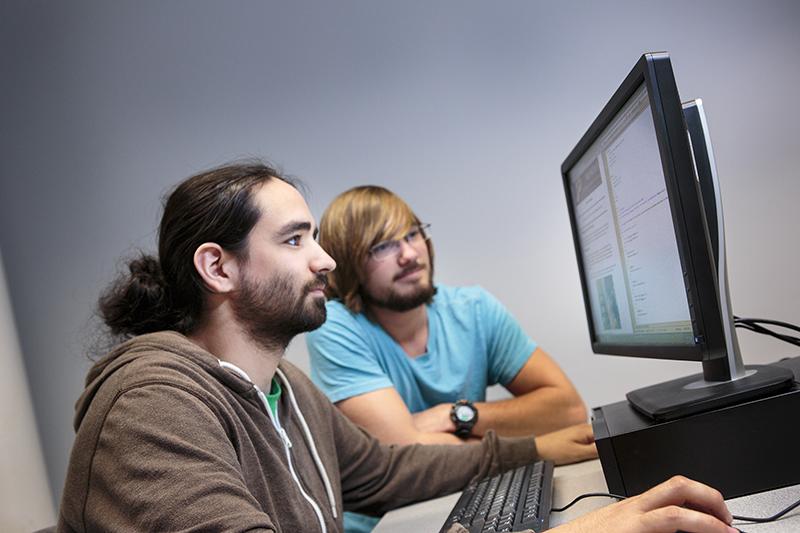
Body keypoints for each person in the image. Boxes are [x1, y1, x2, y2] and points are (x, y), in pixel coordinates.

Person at [56, 161, 737, 533]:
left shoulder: (287, 390)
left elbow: (386, 472)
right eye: (295, 240)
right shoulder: (152, 402)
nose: (324, 261)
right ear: (219, 268)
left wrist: (536, 451)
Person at [306, 185, 595, 532]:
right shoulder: (335, 324)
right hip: (387, 518)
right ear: (349, 263)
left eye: (412, 234)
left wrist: (459, 415)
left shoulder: (474, 309)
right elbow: (403, 449)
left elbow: (568, 410)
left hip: (473, 491)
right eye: (383, 246)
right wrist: (535, 446)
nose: (410, 254)